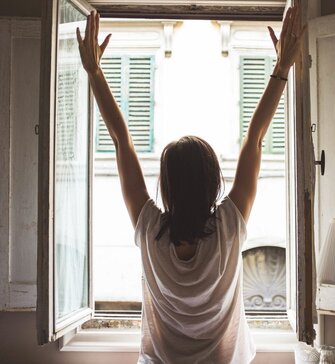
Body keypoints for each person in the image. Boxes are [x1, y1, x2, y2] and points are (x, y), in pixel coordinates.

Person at [77, 6, 304, 363]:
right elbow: (255, 139)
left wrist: (94, 71)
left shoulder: (149, 228)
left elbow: (122, 141)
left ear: (166, 185)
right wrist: (281, 68)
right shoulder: (229, 227)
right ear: (214, 181)